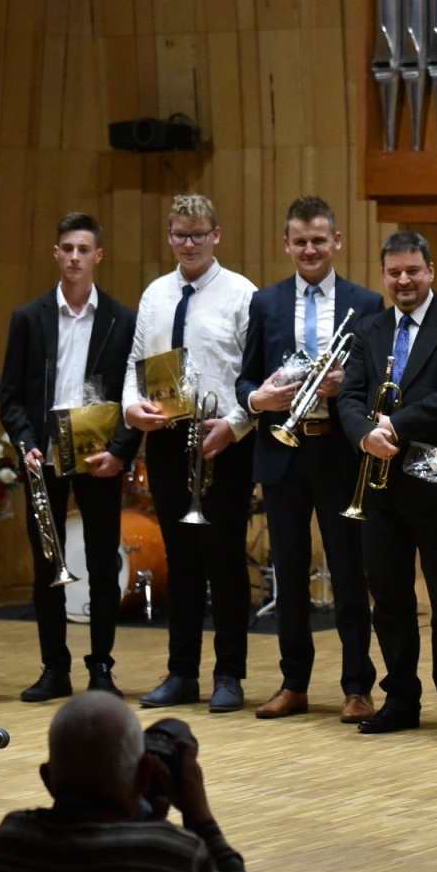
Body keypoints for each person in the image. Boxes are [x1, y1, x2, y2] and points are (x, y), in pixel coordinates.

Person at [0, 692, 270, 872]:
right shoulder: (174, 854)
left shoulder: (12, 840)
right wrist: (200, 818)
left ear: (47, 779)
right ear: (145, 774)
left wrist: (148, 822)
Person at [238, 196, 383, 723]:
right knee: (289, 572)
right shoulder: (266, 303)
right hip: (283, 451)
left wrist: (350, 385)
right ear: (286, 244)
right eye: (300, 241)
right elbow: (245, 376)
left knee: (349, 573)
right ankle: (293, 682)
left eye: (319, 239)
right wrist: (259, 400)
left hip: (339, 453)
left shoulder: (366, 304)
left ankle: (356, 687)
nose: (310, 249)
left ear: (337, 242)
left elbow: (379, 382)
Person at [337, 230, 437, 739]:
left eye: (413, 271)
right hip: (378, 485)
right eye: (395, 272)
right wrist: (363, 435)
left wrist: (394, 427)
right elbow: (350, 396)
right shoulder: (368, 328)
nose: (404, 280)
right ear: (384, 275)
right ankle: (400, 697)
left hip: (436, 481)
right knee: (390, 597)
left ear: (430, 270)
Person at [123, 195, 258, 713]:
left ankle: (229, 675)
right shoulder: (155, 294)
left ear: (216, 235)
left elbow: (253, 372)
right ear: (170, 234)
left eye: (199, 235)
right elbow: (136, 361)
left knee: (224, 562)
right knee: (180, 562)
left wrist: (238, 425)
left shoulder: (241, 294)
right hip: (166, 439)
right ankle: (181, 673)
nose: (190, 244)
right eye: (180, 235)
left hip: (223, 439)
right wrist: (132, 408)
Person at [0, 213, 141, 702]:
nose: (75, 257)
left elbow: (133, 393)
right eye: (67, 248)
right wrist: (24, 443)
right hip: (43, 453)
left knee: (103, 564)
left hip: (96, 453)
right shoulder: (28, 317)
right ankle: (53, 668)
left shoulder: (123, 320)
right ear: (56, 254)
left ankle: (101, 666)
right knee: (47, 566)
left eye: (84, 249)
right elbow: (11, 396)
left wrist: (121, 451)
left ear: (98, 255)